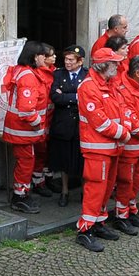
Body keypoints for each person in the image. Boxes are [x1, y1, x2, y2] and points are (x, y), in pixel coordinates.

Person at [74, 48, 129, 253]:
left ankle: (98, 222)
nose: (117, 65)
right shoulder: (89, 87)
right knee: (95, 189)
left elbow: (120, 111)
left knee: (106, 189)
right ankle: (85, 230)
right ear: (103, 65)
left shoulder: (109, 84)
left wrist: (124, 130)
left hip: (112, 146)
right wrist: (123, 133)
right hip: (97, 148)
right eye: (113, 63)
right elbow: (99, 121)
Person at [1, 41, 55, 214]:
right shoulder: (28, 76)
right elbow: (26, 110)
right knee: (26, 163)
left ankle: (22, 193)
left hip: (18, 129)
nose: (45, 59)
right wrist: (38, 123)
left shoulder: (21, 71)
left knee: (26, 162)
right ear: (34, 57)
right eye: (42, 56)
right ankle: (20, 196)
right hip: (22, 130)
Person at [110, 56, 139, 234]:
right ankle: (121, 216)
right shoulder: (123, 90)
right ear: (137, 73)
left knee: (137, 180)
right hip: (130, 145)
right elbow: (132, 121)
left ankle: (131, 210)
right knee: (126, 181)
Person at [46, 46, 88, 206]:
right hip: (63, 124)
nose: (67, 62)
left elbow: (88, 97)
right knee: (63, 160)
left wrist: (67, 96)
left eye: (71, 60)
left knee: (81, 160)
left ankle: (84, 191)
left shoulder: (87, 75)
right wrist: (77, 96)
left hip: (80, 124)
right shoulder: (58, 74)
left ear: (80, 61)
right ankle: (64, 191)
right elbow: (55, 96)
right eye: (66, 59)